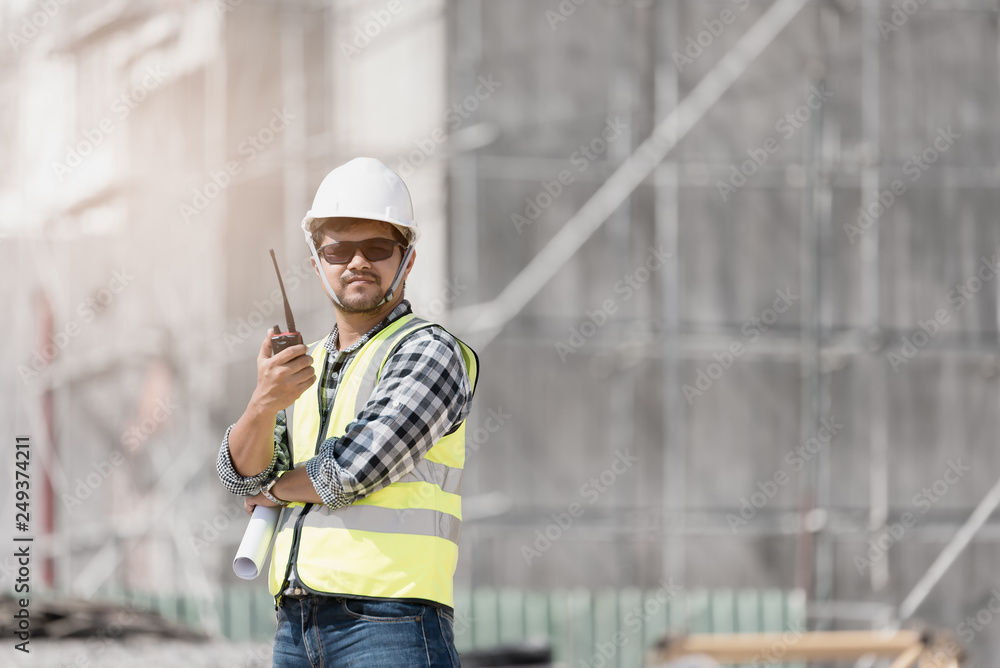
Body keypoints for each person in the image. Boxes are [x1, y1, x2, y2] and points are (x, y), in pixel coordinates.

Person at [216, 157, 479, 667]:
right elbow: (239, 476)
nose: (357, 262)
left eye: (378, 248)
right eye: (339, 249)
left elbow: (352, 469)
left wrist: (273, 488)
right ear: (317, 264)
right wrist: (263, 402)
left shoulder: (430, 352)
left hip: (391, 624)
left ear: (408, 260)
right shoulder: (301, 365)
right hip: (296, 625)